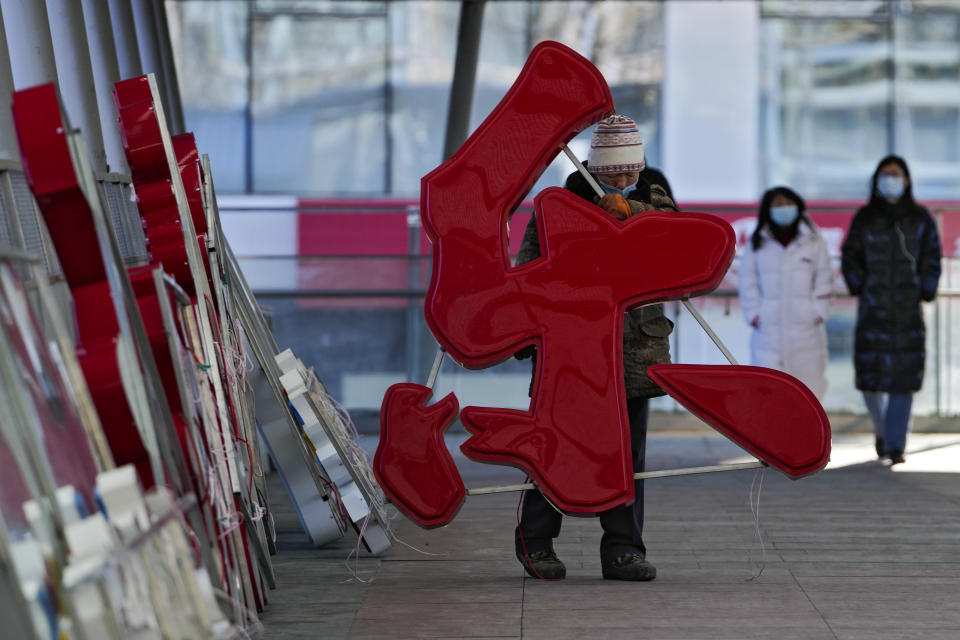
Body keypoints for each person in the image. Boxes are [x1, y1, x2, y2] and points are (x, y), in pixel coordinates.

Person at [513, 114, 676, 581]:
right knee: (556, 444)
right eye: (613, 173)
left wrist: (631, 214)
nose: (623, 180)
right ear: (594, 166)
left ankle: (623, 549)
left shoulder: (654, 192)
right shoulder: (562, 200)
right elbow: (529, 266)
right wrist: (529, 336)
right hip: (570, 352)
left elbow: (677, 237)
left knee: (627, 454)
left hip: (633, 352)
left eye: (630, 171)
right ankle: (536, 543)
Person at [841, 155, 941, 465]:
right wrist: (860, 285)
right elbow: (850, 256)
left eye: (895, 174)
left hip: (907, 310)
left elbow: (932, 256)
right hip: (873, 309)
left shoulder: (921, 218)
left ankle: (896, 444)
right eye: (884, 174)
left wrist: (926, 288)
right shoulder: (865, 217)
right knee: (871, 378)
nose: (890, 179)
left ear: (907, 179)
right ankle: (883, 431)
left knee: (904, 378)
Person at [738, 186, 833, 399]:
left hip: (806, 329)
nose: (784, 209)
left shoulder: (813, 241)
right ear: (767, 210)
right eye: (778, 204)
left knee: (808, 394)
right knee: (769, 393)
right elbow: (747, 280)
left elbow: (824, 277)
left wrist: (818, 311)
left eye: (788, 203)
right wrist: (754, 313)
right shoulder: (758, 242)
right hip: (768, 331)